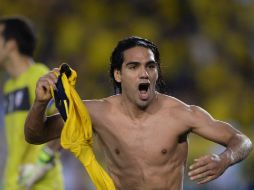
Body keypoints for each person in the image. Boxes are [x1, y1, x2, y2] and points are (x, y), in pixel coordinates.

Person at [24, 36, 252, 190]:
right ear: (118, 75)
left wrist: (225, 159)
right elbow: (35, 135)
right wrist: (40, 103)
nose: (144, 73)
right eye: (134, 67)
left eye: (150, 66)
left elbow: (242, 141)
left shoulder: (181, 114)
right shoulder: (97, 112)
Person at [0, 16, 64, 190]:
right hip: (14, 183)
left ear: (11, 44)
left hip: (42, 184)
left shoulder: (39, 75)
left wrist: (43, 163)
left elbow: (68, 118)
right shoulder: (9, 86)